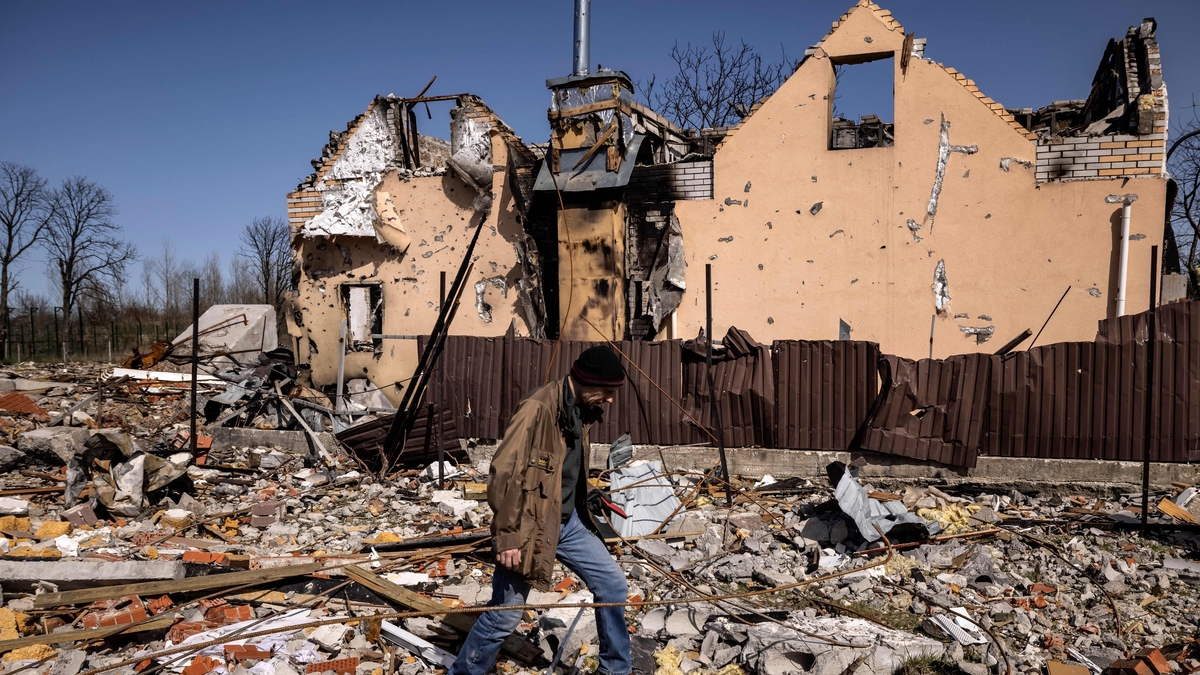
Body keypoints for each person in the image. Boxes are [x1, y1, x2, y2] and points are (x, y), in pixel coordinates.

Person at [449, 346, 631, 675]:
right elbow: (503, 472)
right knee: (505, 613)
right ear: (588, 382)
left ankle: (615, 671)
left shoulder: (580, 410)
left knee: (613, 586)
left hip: (568, 523)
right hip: (529, 526)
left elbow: (562, 470)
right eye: (606, 391)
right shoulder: (537, 408)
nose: (610, 400)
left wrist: (588, 494)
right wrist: (507, 537)